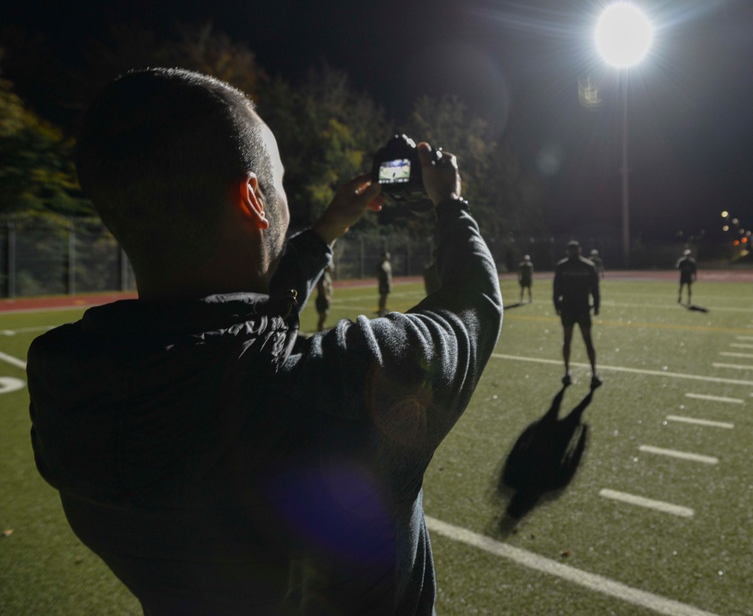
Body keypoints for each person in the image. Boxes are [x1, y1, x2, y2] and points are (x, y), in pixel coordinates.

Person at [26, 68, 502, 616]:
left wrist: (324, 230)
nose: (284, 200)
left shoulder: (68, 388)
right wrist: (450, 203)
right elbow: (472, 305)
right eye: (276, 183)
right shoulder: (335, 387)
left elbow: (224, 331)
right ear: (253, 198)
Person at [553, 240, 601, 389]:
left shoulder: (562, 266)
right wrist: (596, 306)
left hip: (568, 308)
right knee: (588, 341)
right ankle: (593, 374)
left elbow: (556, 290)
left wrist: (557, 305)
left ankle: (567, 373)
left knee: (567, 340)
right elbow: (595, 289)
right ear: (580, 250)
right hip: (582, 309)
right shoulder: (588, 266)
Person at [315, 263, 333, 331]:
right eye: (330, 266)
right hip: (322, 299)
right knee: (322, 317)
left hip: (323, 299)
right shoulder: (323, 275)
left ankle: (321, 330)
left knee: (324, 317)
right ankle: (320, 331)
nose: (332, 267)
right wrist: (326, 296)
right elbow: (323, 285)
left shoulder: (326, 275)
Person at [376, 250, 392, 317]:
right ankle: (380, 309)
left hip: (387, 283)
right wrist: (381, 284)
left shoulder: (387, 264)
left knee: (385, 296)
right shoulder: (381, 265)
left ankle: (384, 308)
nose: (388, 257)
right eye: (386, 256)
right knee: (382, 296)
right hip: (383, 283)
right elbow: (379, 275)